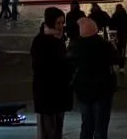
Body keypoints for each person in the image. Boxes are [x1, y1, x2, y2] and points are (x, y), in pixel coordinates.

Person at [71, 16, 118, 139]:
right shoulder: (105, 46)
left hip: (84, 91)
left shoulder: (76, 47)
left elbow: (70, 65)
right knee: (101, 126)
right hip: (102, 91)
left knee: (86, 124)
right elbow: (116, 59)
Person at [32, 7, 72, 139]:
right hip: (46, 93)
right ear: (50, 22)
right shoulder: (40, 41)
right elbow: (39, 68)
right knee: (47, 131)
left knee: (57, 130)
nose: (61, 26)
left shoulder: (59, 39)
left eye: (62, 22)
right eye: (58, 23)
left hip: (60, 92)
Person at [109, 3, 127, 70]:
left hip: (118, 35)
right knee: (122, 50)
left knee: (118, 49)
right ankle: (121, 65)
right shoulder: (126, 16)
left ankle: (119, 64)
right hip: (123, 35)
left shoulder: (114, 15)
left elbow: (111, 25)